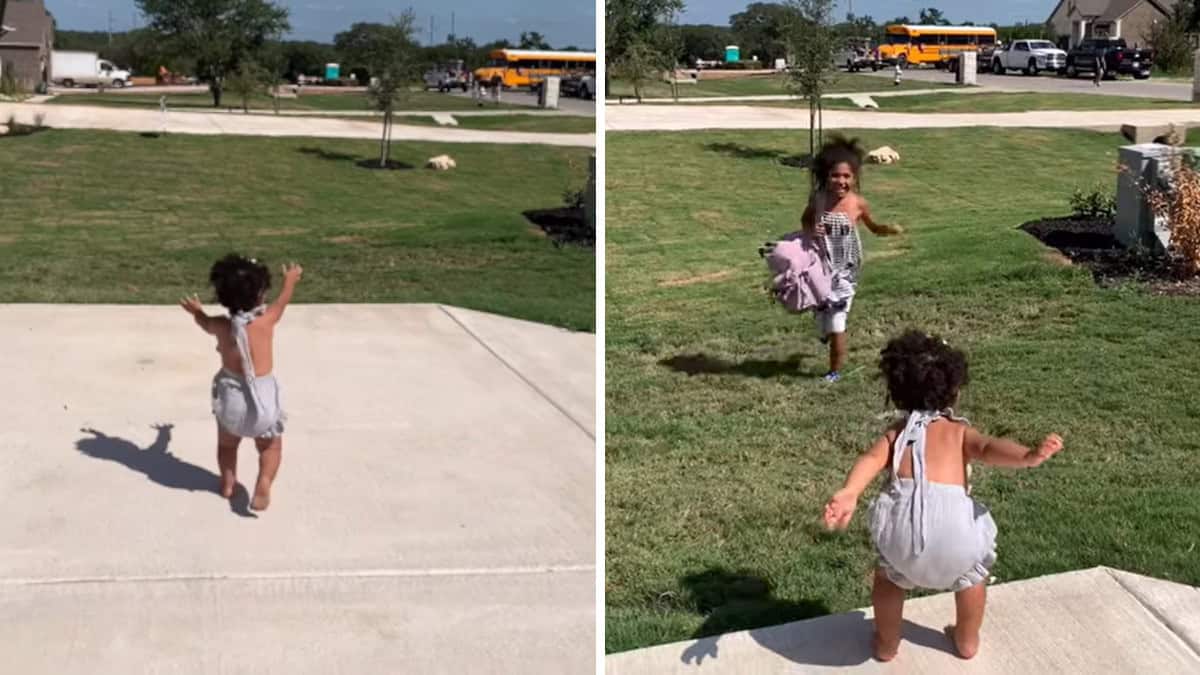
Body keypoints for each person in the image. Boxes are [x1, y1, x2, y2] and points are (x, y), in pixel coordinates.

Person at [823, 330, 1065, 661]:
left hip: (901, 538)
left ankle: (886, 643)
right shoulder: (958, 433)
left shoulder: (896, 434)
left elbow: (869, 460)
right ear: (954, 391)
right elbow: (989, 448)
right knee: (971, 578)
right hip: (956, 539)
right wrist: (1027, 456)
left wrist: (850, 492)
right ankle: (966, 640)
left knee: (889, 580)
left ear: (897, 391)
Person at [179, 255, 303, 511]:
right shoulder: (266, 320)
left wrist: (197, 311)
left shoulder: (221, 325)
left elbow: (203, 322)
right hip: (263, 407)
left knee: (226, 445)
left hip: (231, 405)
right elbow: (283, 302)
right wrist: (290, 281)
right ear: (260, 294)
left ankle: (227, 482)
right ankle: (264, 482)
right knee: (270, 447)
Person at [801, 135, 904, 382]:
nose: (841, 181)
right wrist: (810, 230)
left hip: (845, 272)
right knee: (821, 314)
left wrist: (886, 229)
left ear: (854, 178)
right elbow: (805, 220)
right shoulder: (818, 200)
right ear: (826, 175)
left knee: (837, 322)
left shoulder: (858, 203)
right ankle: (823, 325)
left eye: (847, 176)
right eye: (836, 175)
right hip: (819, 265)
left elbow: (872, 226)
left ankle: (834, 371)